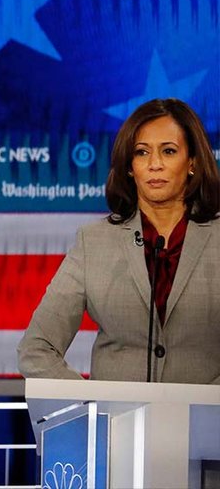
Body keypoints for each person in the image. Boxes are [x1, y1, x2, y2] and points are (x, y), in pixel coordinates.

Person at [18, 98, 220, 383]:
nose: (155, 165)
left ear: (192, 163)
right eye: (141, 153)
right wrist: (91, 408)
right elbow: (36, 349)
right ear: (129, 167)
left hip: (206, 424)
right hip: (116, 425)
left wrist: (207, 407)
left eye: (169, 151)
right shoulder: (95, 242)